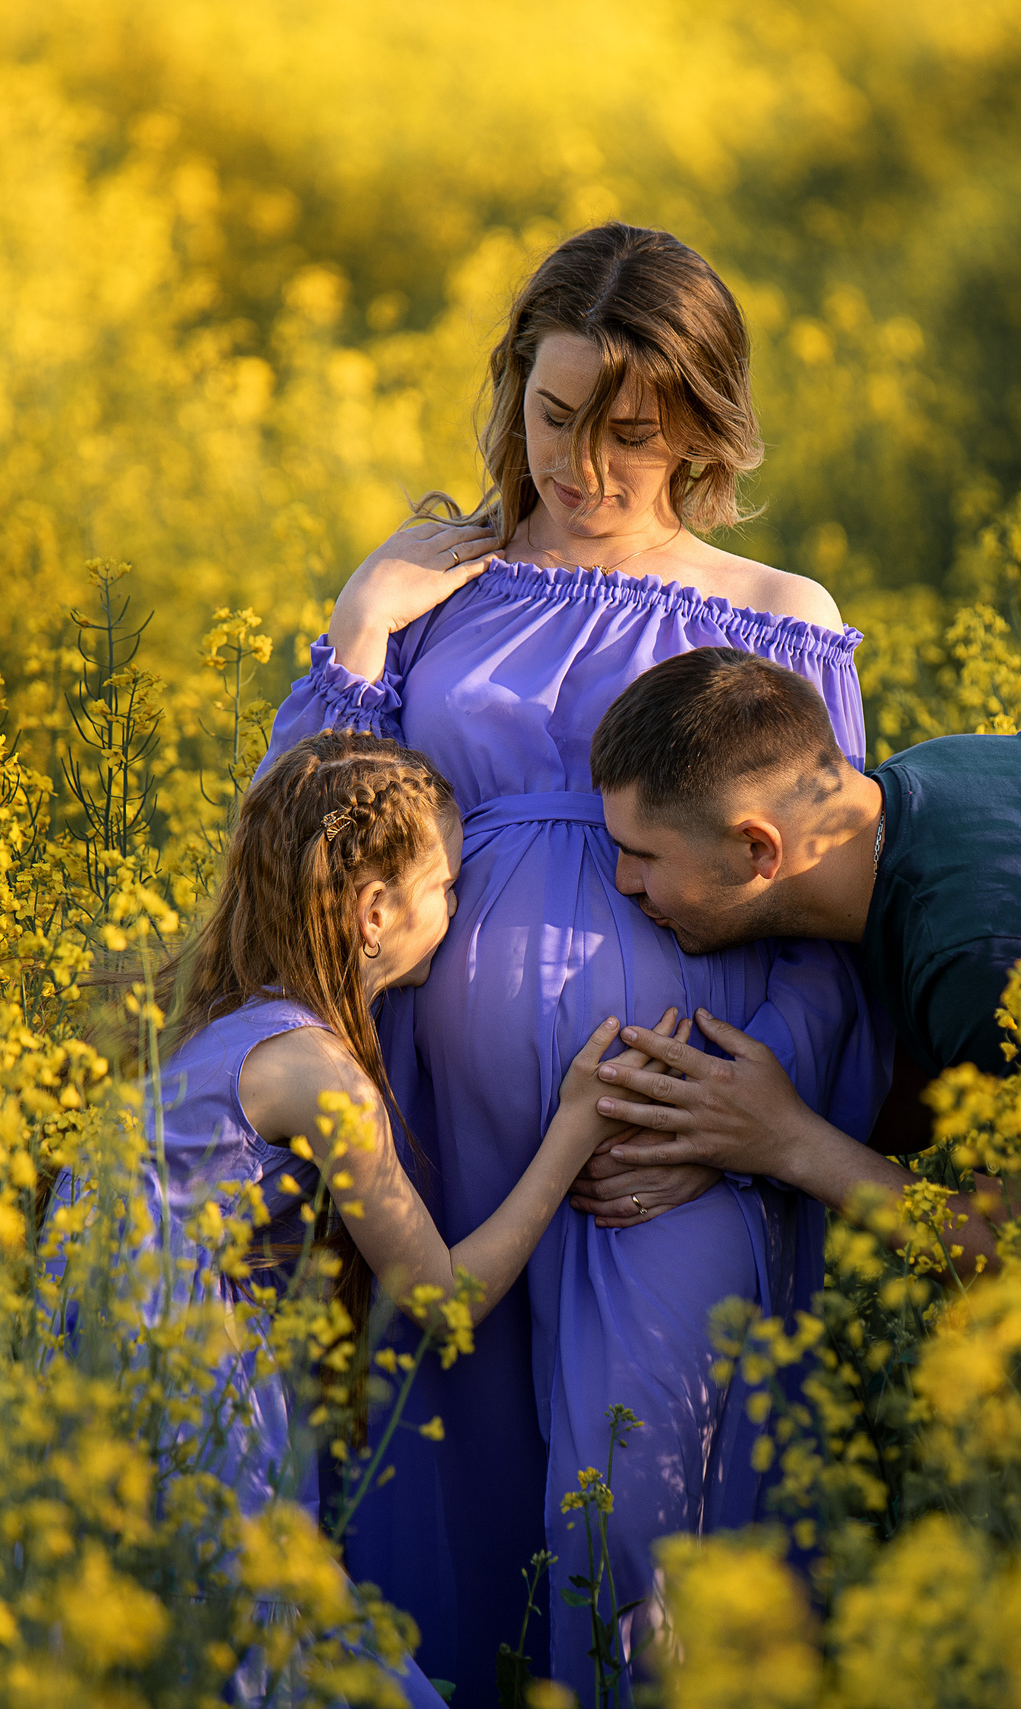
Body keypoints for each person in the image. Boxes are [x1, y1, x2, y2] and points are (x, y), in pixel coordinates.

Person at [260, 224, 882, 1701]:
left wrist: (749, 1107)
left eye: (629, 437)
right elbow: (300, 846)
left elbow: (831, 896)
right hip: (435, 1129)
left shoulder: (775, 614)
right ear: (510, 394)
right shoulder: (437, 590)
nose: (583, 469)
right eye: (552, 421)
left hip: (663, 1142)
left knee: (634, 1549)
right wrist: (359, 627)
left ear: (699, 430)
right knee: (446, 1516)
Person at [42, 732, 687, 1709]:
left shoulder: (228, 1020)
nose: (459, 909)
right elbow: (444, 1297)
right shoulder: (316, 1070)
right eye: (448, 886)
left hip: (103, 1379)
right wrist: (576, 1124)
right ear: (375, 911)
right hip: (184, 1390)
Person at [576, 646, 1021, 1253]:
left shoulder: (977, 951)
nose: (624, 881)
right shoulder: (919, 783)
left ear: (758, 849)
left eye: (644, 855)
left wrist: (784, 1141)